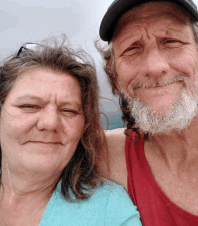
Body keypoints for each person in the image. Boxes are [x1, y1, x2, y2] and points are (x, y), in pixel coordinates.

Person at [97, 0, 198, 225]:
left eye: (171, 41)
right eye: (133, 48)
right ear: (115, 79)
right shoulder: (104, 154)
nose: (155, 67)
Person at [0, 38, 141, 226]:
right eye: (30, 106)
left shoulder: (109, 213)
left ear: (84, 127)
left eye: (69, 110)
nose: (50, 123)